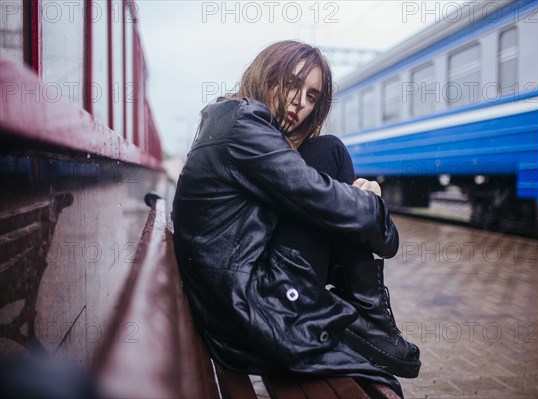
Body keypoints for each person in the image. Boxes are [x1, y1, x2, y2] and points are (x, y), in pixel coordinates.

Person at [172, 40, 420, 396]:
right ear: (265, 74)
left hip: (236, 301)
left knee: (325, 150)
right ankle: (372, 319)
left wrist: (358, 203)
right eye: (291, 84)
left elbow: (312, 191)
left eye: (312, 96)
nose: (299, 102)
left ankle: (370, 320)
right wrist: (372, 204)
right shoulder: (242, 122)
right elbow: (313, 193)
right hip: (249, 312)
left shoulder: (230, 119)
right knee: (330, 161)